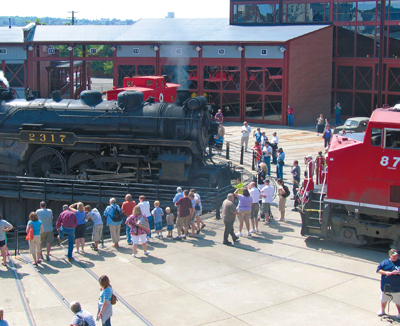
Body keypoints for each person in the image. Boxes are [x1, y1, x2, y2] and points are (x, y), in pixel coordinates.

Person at [376, 249, 400, 317]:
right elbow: (378, 270)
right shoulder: (385, 262)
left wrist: (398, 272)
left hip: (397, 287)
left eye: (397, 256)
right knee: (383, 299)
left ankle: (399, 313)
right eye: (394, 256)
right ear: (390, 255)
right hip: (386, 286)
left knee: (398, 301)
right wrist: (386, 272)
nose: (396, 257)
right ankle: (382, 310)